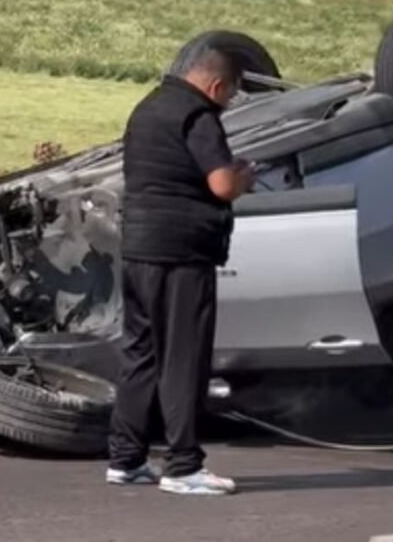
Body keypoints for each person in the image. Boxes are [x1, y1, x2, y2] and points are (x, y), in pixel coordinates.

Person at [106, 42, 255, 495]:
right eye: (230, 93)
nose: (228, 102)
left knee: (141, 354)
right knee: (184, 358)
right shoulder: (198, 115)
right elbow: (222, 184)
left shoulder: (148, 107)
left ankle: (126, 458)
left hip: (138, 247)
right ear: (216, 84)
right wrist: (243, 176)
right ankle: (184, 466)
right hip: (182, 252)